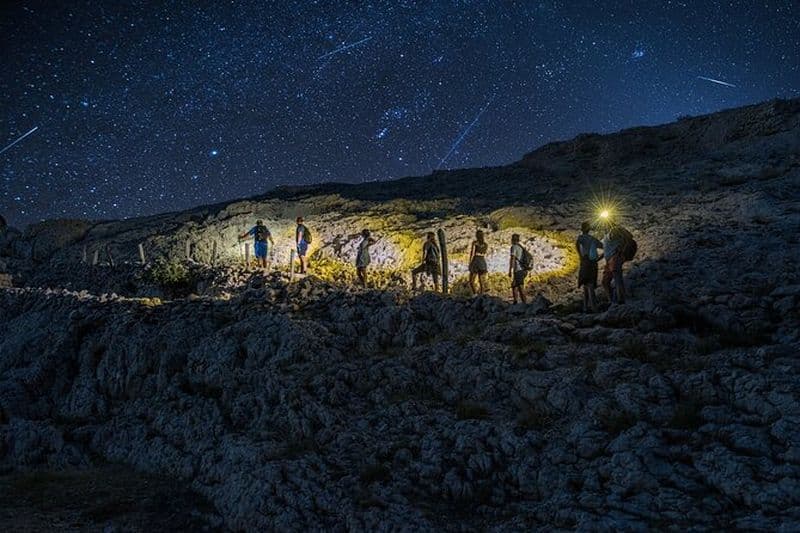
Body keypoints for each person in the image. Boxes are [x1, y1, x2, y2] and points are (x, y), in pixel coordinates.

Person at [576, 221, 604, 312]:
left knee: (587, 284)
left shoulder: (581, 238)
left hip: (585, 262)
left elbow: (577, 244)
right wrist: (599, 258)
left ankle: (590, 307)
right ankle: (589, 307)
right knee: (589, 284)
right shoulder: (593, 239)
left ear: (582, 229)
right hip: (593, 263)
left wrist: (580, 256)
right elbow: (604, 247)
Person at [602, 222, 627, 304]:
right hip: (608, 260)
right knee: (605, 281)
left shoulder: (614, 231)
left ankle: (621, 299)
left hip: (614, 258)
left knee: (617, 278)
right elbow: (607, 250)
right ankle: (612, 300)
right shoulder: (606, 236)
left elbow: (624, 240)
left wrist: (621, 250)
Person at [508, 234, 529, 304]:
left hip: (518, 270)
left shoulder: (514, 247)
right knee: (514, 285)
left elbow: (512, 259)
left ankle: (525, 303)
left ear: (512, 240)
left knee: (520, 287)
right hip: (524, 270)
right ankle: (515, 302)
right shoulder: (521, 247)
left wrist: (510, 270)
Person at [468, 229, 489, 295]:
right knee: (481, 280)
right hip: (482, 260)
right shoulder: (485, 244)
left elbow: (472, 253)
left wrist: (470, 262)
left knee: (471, 280)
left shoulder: (475, 243)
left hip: (476, 260)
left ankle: (475, 294)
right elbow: (485, 253)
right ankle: (482, 294)